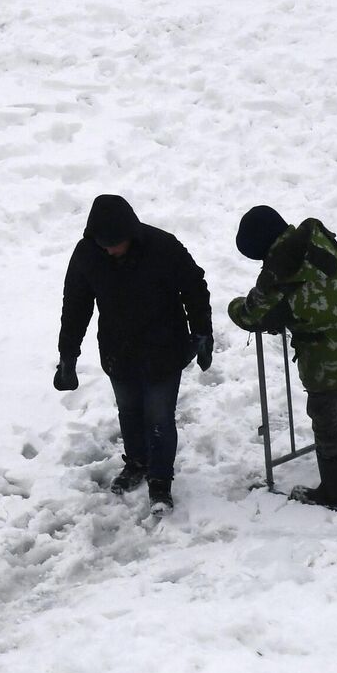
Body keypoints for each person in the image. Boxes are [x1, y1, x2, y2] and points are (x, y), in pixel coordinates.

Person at [226, 205, 337, 510]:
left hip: (328, 366)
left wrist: (234, 305)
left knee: (328, 430)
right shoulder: (318, 237)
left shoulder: (278, 275)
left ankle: (334, 494)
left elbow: (249, 315)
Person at [55, 194, 213, 511]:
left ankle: (160, 481)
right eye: (105, 245)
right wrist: (67, 357)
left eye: (116, 243)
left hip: (164, 349)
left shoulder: (163, 246)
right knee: (129, 411)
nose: (111, 250)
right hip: (119, 350)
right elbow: (75, 306)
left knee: (159, 417)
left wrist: (202, 333)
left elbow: (194, 287)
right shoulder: (88, 254)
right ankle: (138, 463)